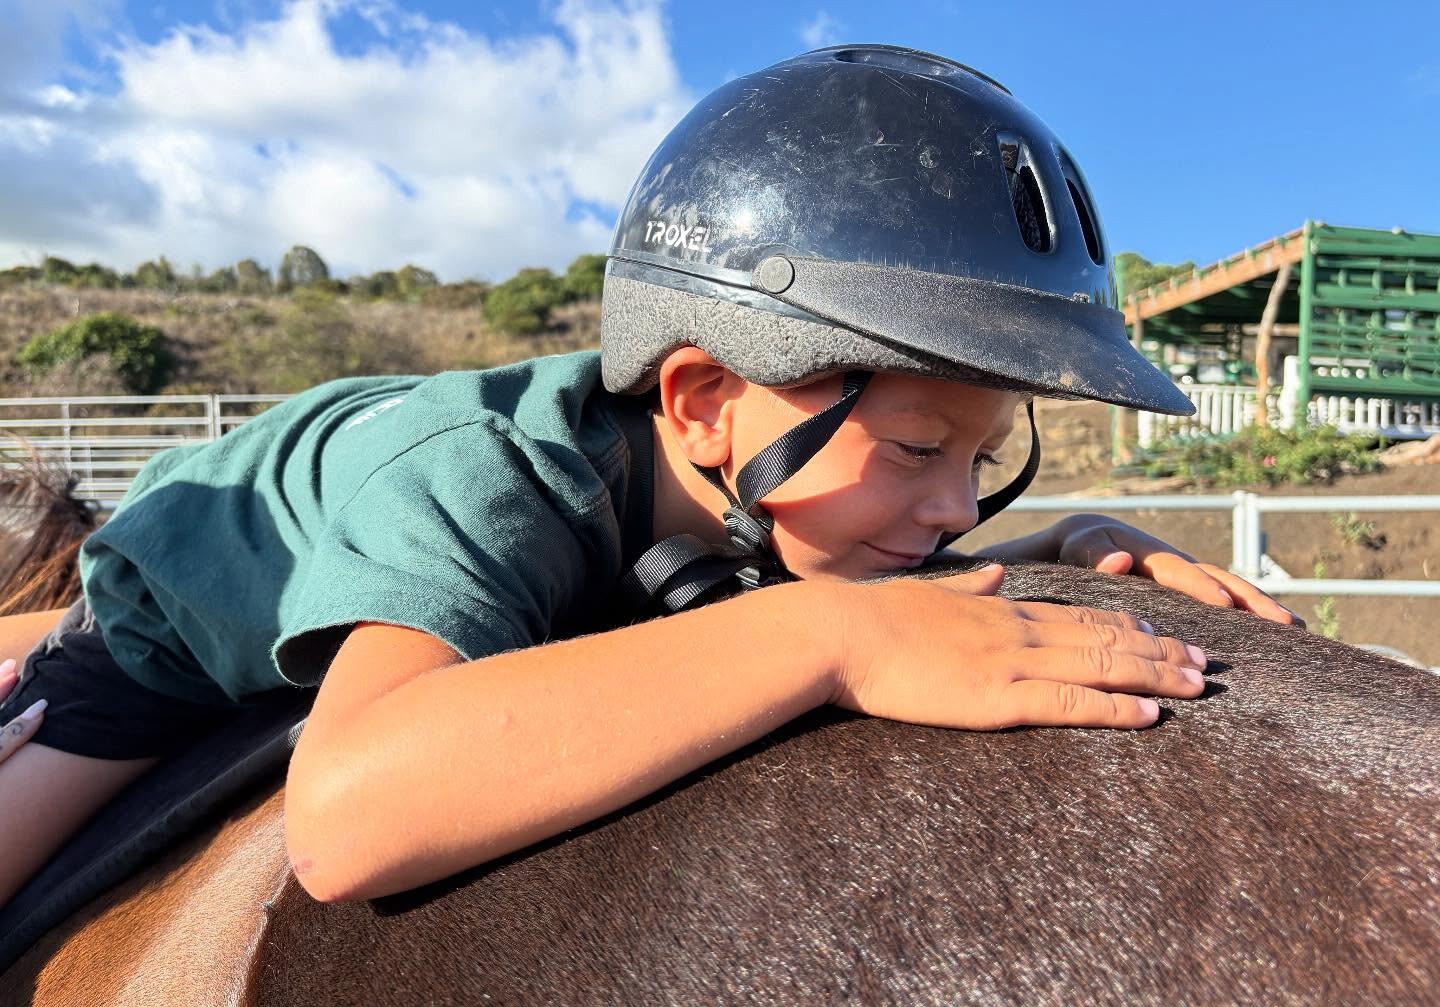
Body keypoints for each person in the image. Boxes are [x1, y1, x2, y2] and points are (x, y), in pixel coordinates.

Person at [0, 45, 1296, 910]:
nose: (957, 505)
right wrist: (832, 633)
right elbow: (345, 825)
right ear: (707, 399)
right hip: (166, 616)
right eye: (917, 448)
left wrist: (1063, 539)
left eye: (984, 453)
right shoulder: (482, 479)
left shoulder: (750, 483)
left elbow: (863, 551)